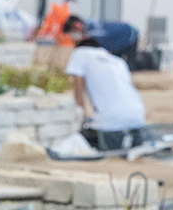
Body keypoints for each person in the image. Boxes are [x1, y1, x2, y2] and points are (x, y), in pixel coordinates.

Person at [61, 16, 146, 150]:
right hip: (137, 116)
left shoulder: (79, 54)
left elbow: (78, 90)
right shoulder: (117, 61)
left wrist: (79, 116)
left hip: (111, 121)